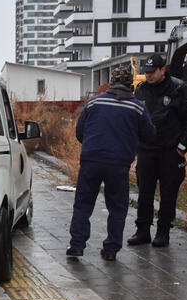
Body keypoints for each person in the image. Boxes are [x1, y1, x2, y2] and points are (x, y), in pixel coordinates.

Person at [67, 67, 156, 261]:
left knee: (83, 203)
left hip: (91, 159)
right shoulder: (137, 107)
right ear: (130, 84)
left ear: (110, 82)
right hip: (118, 163)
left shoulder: (94, 102)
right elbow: (150, 136)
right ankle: (111, 249)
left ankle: (76, 245)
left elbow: (80, 132)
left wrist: (94, 146)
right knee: (117, 206)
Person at [127, 53, 187, 247]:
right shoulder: (141, 90)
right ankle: (142, 230)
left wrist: (182, 148)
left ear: (162, 70)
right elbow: (136, 118)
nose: (148, 76)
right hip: (146, 151)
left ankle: (163, 232)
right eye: (146, 72)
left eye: (152, 72)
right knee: (144, 193)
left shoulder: (178, 89)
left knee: (168, 194)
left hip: (170, 152)